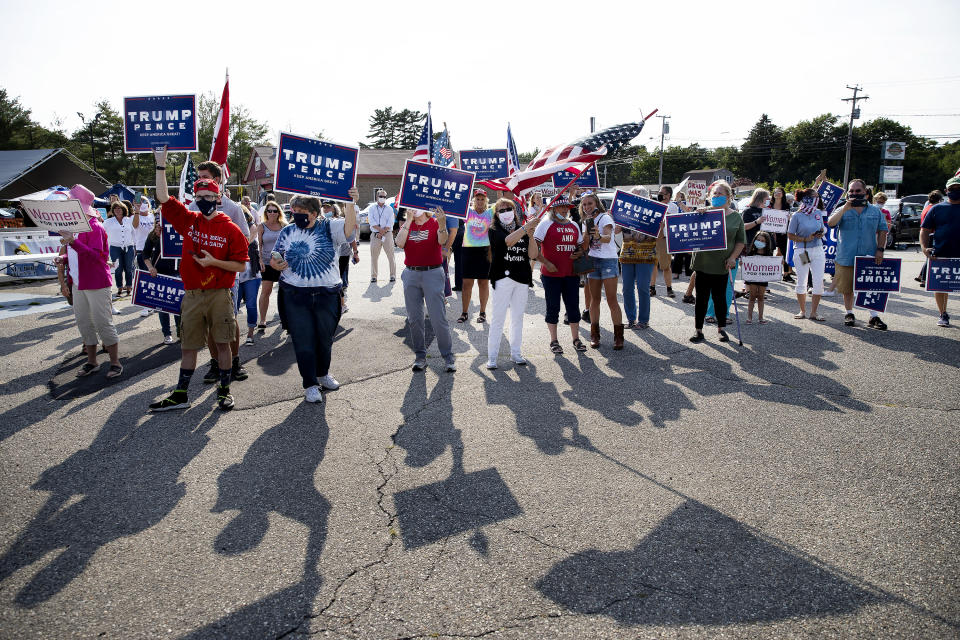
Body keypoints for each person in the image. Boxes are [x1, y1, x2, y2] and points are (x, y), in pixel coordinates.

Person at [148, 147, 249, 412]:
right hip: (192, 293)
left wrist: (213, 262)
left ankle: (224, 392)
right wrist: (161, 165)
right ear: (195, 197)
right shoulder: (188, 220)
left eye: (209, 196)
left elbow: (240, 264)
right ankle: (181, 394)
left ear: (218, 198)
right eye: (200, 196)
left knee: (223, 344)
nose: (204, 200)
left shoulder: (230, 228)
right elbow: (162, 197)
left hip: (220, 293)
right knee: (189, 345)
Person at [269, 190, 359, 402]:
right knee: (303, 340)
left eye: (302, 211)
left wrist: (350, 203)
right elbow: (276, 256)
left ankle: (323, 374)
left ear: (315, 213)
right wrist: (276, 263)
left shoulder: (330, 226)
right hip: (295, 293)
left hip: (327, 293)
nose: (297, 214)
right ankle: (310, 383)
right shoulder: (288, 231)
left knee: (325, 338)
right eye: (294, 210)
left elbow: (348, 230)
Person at [191, 160, 251, 385]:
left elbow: (244, 239)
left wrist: (219, 253)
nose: (199, 181)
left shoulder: (233, 208)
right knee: (208, 321)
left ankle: (234, 361)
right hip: (201, 275)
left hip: (226, 275)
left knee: (228, 319)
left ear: (216, 180)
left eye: (204, 177)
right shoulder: (193, 207)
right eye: (198, 178)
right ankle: (215, 362)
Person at [58, 185, 123, 378]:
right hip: (79, 282)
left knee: (103, 323)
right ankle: (92, 362)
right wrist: (63, 259)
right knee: (84, 322)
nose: (67, 204)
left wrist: (73, 242)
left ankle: (115, 363)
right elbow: (76, 255)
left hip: (96, 282)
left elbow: (97, 257)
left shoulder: (95, 226)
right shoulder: (75, 227)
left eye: (70, 201)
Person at [395, 206, 455, 372]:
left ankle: (448, 356)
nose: (413, 209)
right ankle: (420, 356)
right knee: (414, 319)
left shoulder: (434, 222)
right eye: (410, 207)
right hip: (411, 274)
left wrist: (442, 223)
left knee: (438, 318)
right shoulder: (407, 224)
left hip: (433, 273)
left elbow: (442, 240)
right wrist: (407, 220)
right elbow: (399, 242)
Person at [826, 178, 889, 329]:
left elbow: (882, 231)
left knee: (869, 288)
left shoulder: (875, 211)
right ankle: (849, 313)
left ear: (865, 193)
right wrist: (844, 208)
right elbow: (830, 223)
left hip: (868, 256)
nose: (854, 194)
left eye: (858, 191)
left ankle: (873, 316)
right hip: (846, 256)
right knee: (847, 288)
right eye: (851, 191)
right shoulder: (842, 208)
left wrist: (880, 250)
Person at [690, 180, 746, 343]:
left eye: (720, 193)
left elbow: (740, 241)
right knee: (701, 298)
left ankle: (721, 329)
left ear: (728, 197)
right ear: (709, 196)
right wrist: (698, 213)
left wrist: (733, 257)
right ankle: (698, 330)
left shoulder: (736, 217)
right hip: (703, 264)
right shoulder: (703, 213)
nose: (716, 196)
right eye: (714, 193)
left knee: (720, 298)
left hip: (723, 265)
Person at [486, 197, 538, 369]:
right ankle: (492, 357)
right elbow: (508, 241)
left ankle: (516, 353)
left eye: (509, 208)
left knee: (517, 317)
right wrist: (525, 228)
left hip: (522, 278)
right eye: (501, 210)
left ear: (515, 211)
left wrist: (530, 236)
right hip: (502, 278)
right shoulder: (494, 229)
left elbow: (532, 255)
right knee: (498, 318)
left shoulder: (522, 228)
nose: (506, 212)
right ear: (496, 214)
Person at [534, 195, 587, 354]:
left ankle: (576, 339)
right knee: (553, 307)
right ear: (552, 209)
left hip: (571, 273)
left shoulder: (573, 225)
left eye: (567, 207)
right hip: (550, 275)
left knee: (573, 307)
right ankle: (554, 340)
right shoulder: (545, 224)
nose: (565, 210)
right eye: (561, 207)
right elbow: (533, 249)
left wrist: (579, 252)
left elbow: (579, 247)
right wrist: (546, 263)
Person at [580, 192, 624, 349]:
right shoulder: (586, 221)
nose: (587, 207)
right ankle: (595, 335)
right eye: (584, 204)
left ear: (596, 203)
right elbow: (586, 245)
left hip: (608, 260)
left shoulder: (605, 218)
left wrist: (598, 235)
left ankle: (619, 337)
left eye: (590, 203)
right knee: (594, 300)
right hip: (593, 260)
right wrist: (585, 237)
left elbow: (607, 238)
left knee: (612, 299)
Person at [920, 173, 960, 327]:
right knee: (941, 286)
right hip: (941, 254)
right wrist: (924, 248)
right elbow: (924, 230)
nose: (956, 190)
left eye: (959, 188)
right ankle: (943, 314)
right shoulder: (937, 208)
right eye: (953, 188)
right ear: (946, 190)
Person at [787, 188, 828, 322]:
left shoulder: (817, 212)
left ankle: (814, 312)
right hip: (803, 251)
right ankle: (802, 310)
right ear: (807, 199)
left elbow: (822, 227)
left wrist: (821, 233)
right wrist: (805, 239)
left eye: (818, 197)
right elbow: (790, 235)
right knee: (802, 280)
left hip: (818, 250)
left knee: (818, 281)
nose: (818, 200)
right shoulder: (797, 215)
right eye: (815, 197)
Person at [142, 217, 181, 344]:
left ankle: (181, 332)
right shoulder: (153, 235)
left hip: (177, 272)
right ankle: (167, 333)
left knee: (179, 305)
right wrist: (150, 267)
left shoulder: (178, 231)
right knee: (162, 306)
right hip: (160, 273)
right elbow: (145, 254)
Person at [457, 189, 493, 324]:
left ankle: (482, 312)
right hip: (468, 251)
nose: (480, 201)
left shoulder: (490, 213)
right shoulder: (468, 212)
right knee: (467, 284)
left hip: (484, 251)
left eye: (482, 199)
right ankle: (464, 313)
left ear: (486, 201)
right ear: (473, 200)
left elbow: (501, 201)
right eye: (477, 199)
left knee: (483, 283)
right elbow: (460, 201)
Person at [618, 220, 657, 330]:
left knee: (643, 287)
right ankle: (631, 319)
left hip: (646, 256)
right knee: (627, 289)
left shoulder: (654, 214)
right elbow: (616, 231)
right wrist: (614, 217)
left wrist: (660, 225)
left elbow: (661, 236)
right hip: (627, 255)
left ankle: (644, 320)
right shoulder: (625, 214)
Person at [256, 201, 288, 332]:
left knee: (284, 292)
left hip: (282, 263)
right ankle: (262, 320)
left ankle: (285, 318)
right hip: (267, 264)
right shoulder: (262, 226)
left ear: (279, 212)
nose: (272, 213)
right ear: (266, 213)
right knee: (266, 292)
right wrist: (261, 261)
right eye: (269, 211)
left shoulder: (284, 226)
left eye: (275, 211)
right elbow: (259, 245)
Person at [237, 208, 262, 345]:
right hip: (234, 275)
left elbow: (247, 240)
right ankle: (232, 335)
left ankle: (250, 333)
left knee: (251, 304)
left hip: (250, 273)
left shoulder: (251, 228)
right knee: (233, 307)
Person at [649, 186, 679, 298]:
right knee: (653, 264)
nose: (659, 194)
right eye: (659, 192)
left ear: (668, 195)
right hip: (653, 237)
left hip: (664, 239)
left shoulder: (672, 206)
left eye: (662, 193)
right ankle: (652, 287)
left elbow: (670, 220)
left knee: (665, 266)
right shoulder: (655, 205)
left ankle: (669, 288)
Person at [103, 200, 135, 297]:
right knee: (117, 268)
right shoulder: (108, 222)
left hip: (128, 247)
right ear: (113, 210)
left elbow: (134, 233)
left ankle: (129, 286)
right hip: (115, 247)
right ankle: (119, 287)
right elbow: (103, 234)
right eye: (115, 208)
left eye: (119, 208)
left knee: (129, 268)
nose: (117, 210)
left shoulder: (129, 220)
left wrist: (135, 246)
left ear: (123, 209)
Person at [743, 230, 775, 324]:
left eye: (762, 241)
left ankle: (761, 318)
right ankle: (749, 317)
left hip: (763, 278)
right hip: (752, 278)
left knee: (761, 297)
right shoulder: (751, 253)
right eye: (758, 240)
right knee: (752, 297)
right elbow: (746, 265)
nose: (760, 242)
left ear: (766, 242)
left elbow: (772, 265)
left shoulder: (768, 254)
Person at [367, 189, 396, 283]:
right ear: (377, 197)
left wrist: (382, 232)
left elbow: (390, 222)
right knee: (374, 256)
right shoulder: (372, 208)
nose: (382, 198)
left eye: (384, 197)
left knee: (391, 256)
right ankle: (374, 276)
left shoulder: (389, 209)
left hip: (387, 235)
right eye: (381, 196)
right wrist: (380, 231)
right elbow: (371, 221)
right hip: (375, 235)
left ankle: (392, 275)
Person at [916, 191, 943, 285]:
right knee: (930, 257)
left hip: (927, 234)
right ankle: (923, 279)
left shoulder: (927, 208)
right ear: (939, 200)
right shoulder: (933, 209)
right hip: (931, 235)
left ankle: (921, 276)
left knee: (928, 257)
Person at [769, 187, 794, 283]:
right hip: (770, 232)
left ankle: (786, 273)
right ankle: (769, 272)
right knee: (769, 252)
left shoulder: (786, 205)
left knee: (785, 252)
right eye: (775, 192)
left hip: (783, 232)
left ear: (783, 194)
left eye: (779, 192)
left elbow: (787, 219)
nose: (777, 193)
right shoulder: (769, 205)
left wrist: (789, 218)